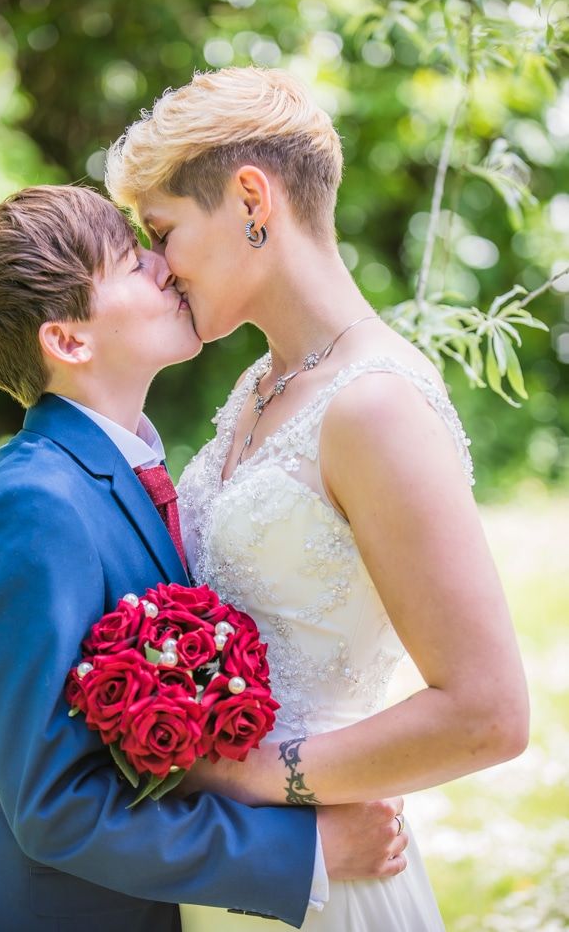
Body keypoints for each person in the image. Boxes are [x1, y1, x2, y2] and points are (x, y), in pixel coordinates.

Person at [105, 66, 530, 931]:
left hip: (329, 874)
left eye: (164, 230)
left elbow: (489, 714)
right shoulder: (259, 387)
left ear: (251, 198)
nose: (158, 267)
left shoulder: (374, 404)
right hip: (239, 865)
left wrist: (260, 774)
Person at [0, 184, 407, 932]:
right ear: (69, 341)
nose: (164, 266)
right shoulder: (32, 510)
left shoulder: (128, 470)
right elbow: (54, 807)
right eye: (129, 262)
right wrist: (302, 851)